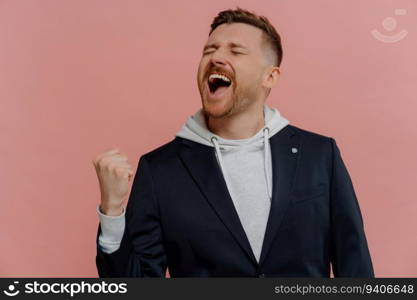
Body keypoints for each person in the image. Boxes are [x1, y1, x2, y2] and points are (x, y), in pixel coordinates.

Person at [92, 7, 374, 277]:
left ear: (270, 76)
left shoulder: (320, 156)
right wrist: (113, 211)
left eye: (236, 51)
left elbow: (356, 268)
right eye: (209, 50)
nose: (216, 57)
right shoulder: (159, 170)